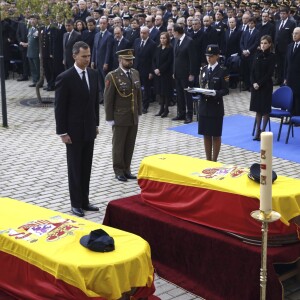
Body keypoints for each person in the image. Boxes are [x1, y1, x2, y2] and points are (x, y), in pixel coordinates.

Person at [54, 41, 100, 217]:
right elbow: (60, 108)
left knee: (86, 166)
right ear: (74, 56)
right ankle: (75, 204)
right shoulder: (65, 77)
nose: (87, 59)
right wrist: (62, 132)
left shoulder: (94, 74)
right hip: (73, 133)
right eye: (84, 56)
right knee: (75, 169)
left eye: (89, 56)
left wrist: (96, 124)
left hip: (89, 130)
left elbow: (95, 102)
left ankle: (85, 201)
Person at [104, 49, 142, 182]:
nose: (130, 62)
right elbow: (108, 99)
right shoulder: (112, 76)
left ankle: (127, 169)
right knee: (119, 145)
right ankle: (119, 170)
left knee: (130, 144)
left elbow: (138, 95)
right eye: (127, 60)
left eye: (131, 60)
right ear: (120, 60)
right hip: (120, 117)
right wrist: (109, 118)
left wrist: (139, 111)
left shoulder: (135, 73)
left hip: (132, 116)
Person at [198, 44, 229, 162]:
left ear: (217, 56)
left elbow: (225, 90)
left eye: (211, 56)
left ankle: (214, 160)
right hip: (204, 106)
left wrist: (215, 93)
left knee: (215, 135)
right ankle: (208, 159)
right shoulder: (204, 69)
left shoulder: (222, 71)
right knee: (206, 134)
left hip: (215, 107)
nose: (208, 58)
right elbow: (201, 85)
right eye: (207, 56)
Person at [250, 35, 276, 141]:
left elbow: (269, 73)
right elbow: (252, 71)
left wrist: (259, 84)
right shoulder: (257, 54)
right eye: (261, 43)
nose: (263, 45)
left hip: (265, 86)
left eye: (265, 43)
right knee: (258, 110)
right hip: (255, 86)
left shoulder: (272, 56)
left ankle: (263, 131)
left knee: (265, 110)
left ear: (269, 44)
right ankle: (257, 130)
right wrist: (253, 83)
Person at [152, 32, 174, 118]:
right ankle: (161, 108)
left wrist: (160, 69)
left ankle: (166, 109)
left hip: (165, 73)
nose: (162, 40)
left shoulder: (170, 48)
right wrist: (155, 69)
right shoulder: (158, 48)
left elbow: (168, 62)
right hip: (158, 74)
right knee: (160, 92)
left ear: (167, 39)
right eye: (161, 38)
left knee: (166, 92)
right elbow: (153, 59)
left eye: (164, 38)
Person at [284, 27, 300, 115]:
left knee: (298, 98)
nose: (294, 35)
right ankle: (290, 116)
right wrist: (285, 77)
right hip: (290, 77)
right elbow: (286, 63)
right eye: (293, 33)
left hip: (298, 77)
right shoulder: (290, 46)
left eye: (296, 33)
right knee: (291, 97)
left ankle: (297, 118)